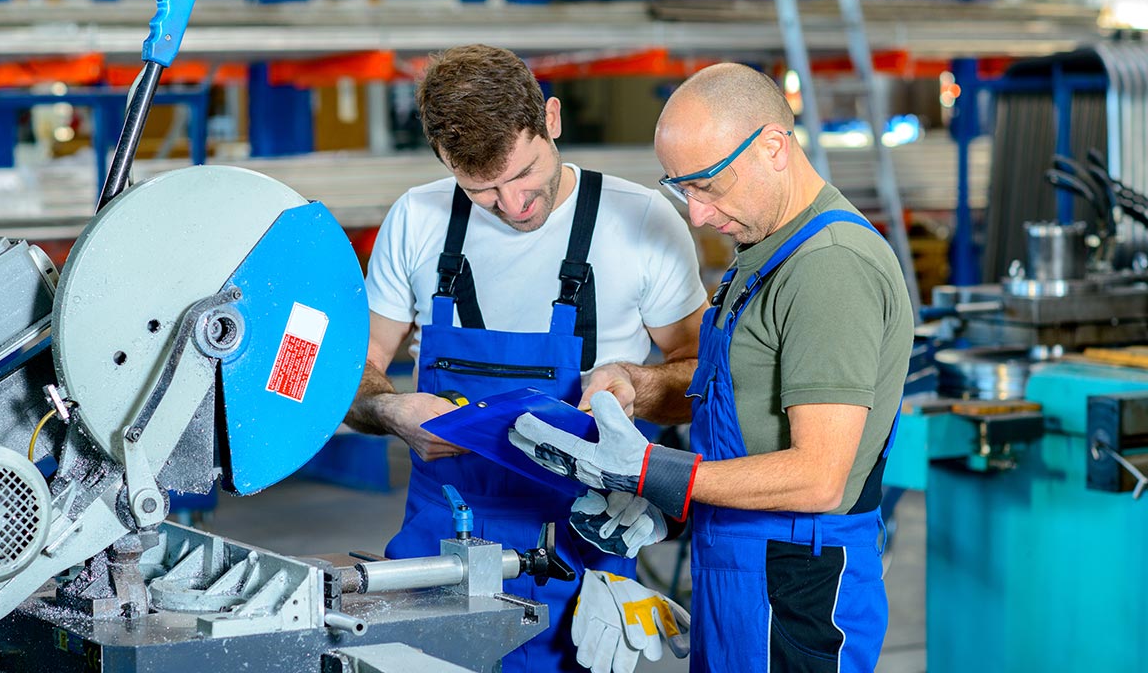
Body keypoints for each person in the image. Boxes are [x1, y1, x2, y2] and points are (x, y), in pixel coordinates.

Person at [510, 62, 915, 672]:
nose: (695, 215)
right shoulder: (767, 247)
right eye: (681, 189)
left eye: (707, 186)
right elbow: (737, 394)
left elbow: (819, 477)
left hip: (794, 583)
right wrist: (644, 389)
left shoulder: (829, 268)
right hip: (739, 560)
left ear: (773, 148)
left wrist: (652, 472)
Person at [343, 44, 708, 672]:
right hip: (436, 548)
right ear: (444, 162)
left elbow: (701, 374)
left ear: (553, 120)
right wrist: (388, 407)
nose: (513, 205)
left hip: (582, 548)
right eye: (481, 189)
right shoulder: (416, 220)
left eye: (523, 174)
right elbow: (352, 372)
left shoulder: (641, 220)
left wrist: (636, 388)